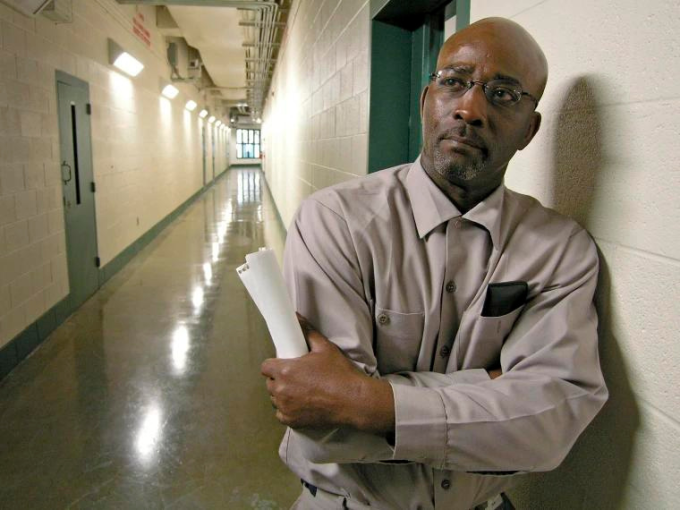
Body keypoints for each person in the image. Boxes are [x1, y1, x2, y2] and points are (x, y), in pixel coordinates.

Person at [261, 17, 608, 510]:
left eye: (504, 94)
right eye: (454, 82)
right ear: (427, 102)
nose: (470, 108)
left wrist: (369, 400)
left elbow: (552, 425)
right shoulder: (336, 220)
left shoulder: (560, 248)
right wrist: (494, 394)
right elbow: (324, 424)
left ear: (530, 130)